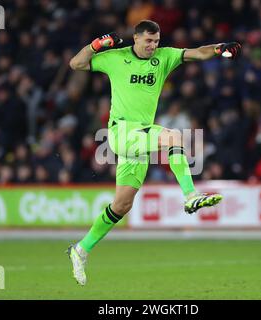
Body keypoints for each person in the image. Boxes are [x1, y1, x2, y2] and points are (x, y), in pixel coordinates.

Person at [66, 20, 242, 285]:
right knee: (173, 136)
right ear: (135, 39)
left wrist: (219, 49)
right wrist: (95, 46)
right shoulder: (115, 57)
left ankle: (81, 249)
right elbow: (76, 64)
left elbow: (196, 52)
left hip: (140, 137)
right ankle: (190, 195)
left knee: (122, 204)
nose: (153, 46)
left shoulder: (164, 57)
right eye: (148, 41)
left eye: (156, 41)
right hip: (121, 133)